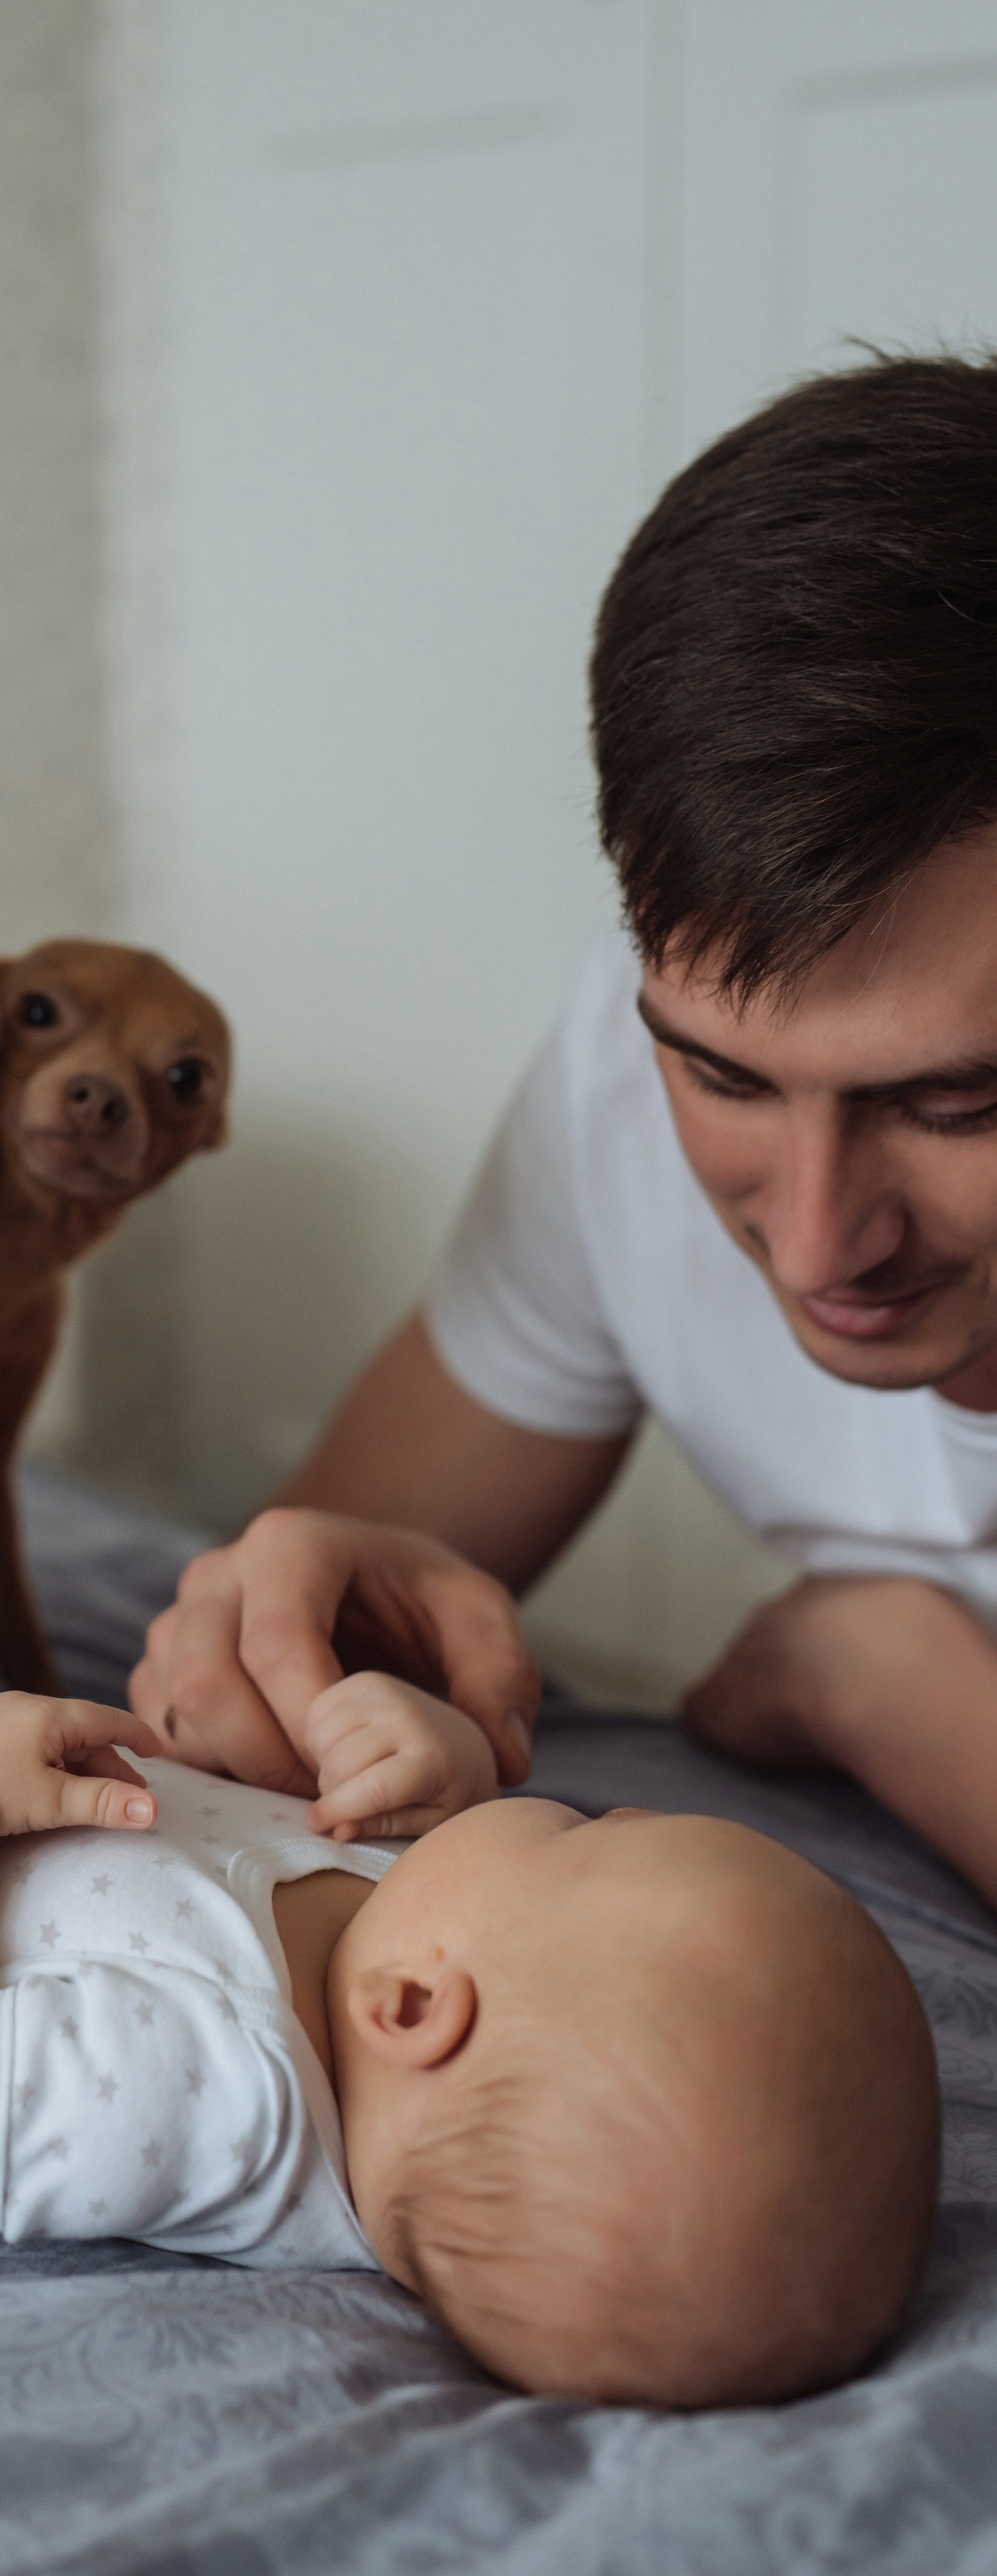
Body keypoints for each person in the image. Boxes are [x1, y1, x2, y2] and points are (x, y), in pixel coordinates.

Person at [134, 351, 997, 1911]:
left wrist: (876, 1675)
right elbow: (352, 1582)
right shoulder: (622, 1049)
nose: (813, 1242)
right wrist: (277, 1642)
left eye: (955, 1104)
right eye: (723, 1080)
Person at [0, 1652, 939, 2407]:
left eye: (587, 1837)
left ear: (420, 2011)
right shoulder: (388, 1931)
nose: (567, 1807)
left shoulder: (219, 2099)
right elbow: (207, 1810)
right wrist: (422, 1755)